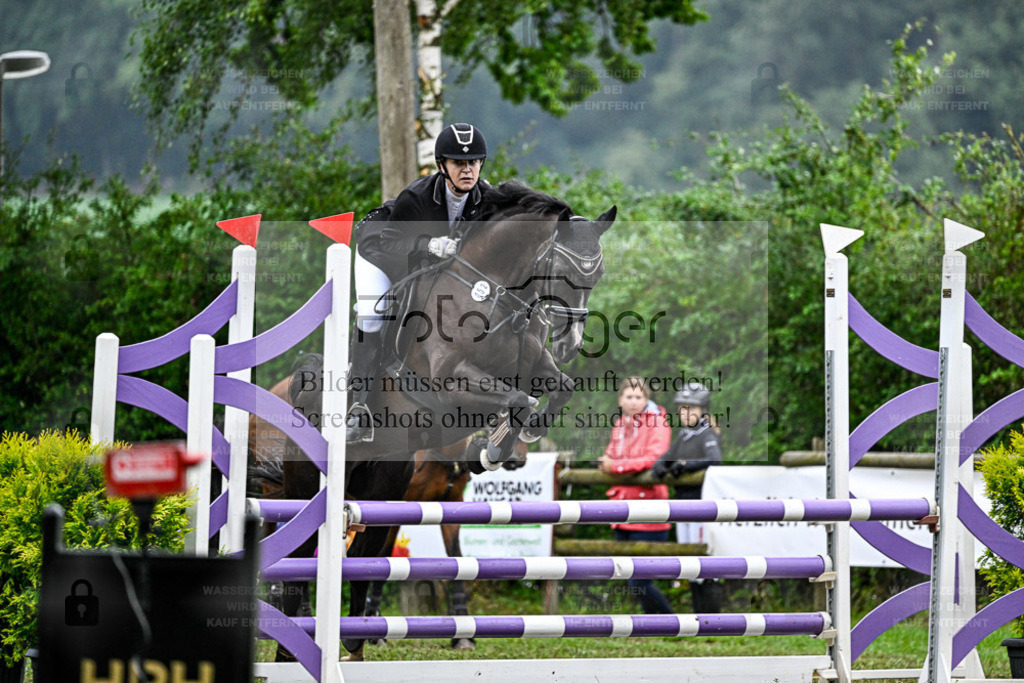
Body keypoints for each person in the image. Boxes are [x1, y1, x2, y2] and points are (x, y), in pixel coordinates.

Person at [347, 123, 493, 442]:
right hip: (382, 248)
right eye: (459, 163)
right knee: (374, 312)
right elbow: (390, 243)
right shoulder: (417, 196)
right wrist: (428, 245)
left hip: (432, 261)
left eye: (474, 162)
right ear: (442, 166)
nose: (467, 169)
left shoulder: (487, 200)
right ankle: (358, 406)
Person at [597, 376, 673, 614]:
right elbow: (610, 455)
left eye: (638, 397)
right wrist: (611, 464)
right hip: (622, 509)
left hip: (650, 510)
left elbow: (653, 459)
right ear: (620, 400)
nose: (633, 401)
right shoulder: (620, 425)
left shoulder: (658, 423)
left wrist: (617, 467)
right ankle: (655, 624)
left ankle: (670, 622)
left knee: (639, 579)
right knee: (630, 575)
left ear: (646, 399)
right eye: (628, 396)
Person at [651, 380, 724, 612]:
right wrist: (661, 466)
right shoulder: (683, 435)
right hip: (682, 505)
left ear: (702, 411)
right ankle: (698, 615)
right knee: (688, 559)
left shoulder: (706, 433)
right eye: (682, 409)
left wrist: (686, 465)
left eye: (691, 409)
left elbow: (715, 459)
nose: (685, 413)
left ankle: (710, 616)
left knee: (702, 557)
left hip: (700, 505)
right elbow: (667, 457)